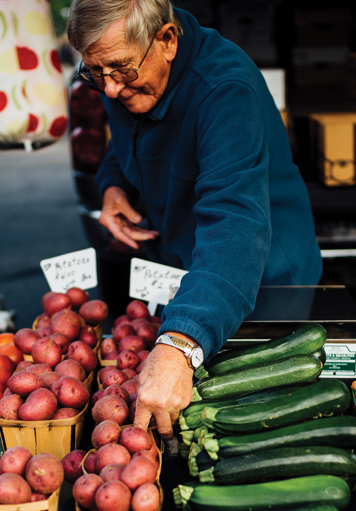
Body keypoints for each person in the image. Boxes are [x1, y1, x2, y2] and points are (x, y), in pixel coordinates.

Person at [66, 0, 322, 440]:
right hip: (187, 267)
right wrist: (112, 185)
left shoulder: (225, 91)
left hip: (260, 276)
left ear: (166, 40)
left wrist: (182, 343)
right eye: (94, 73)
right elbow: (124, 145)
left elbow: (235, 226)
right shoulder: (121, 74)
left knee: (250, 428)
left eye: (121, 71)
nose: (109, 90)